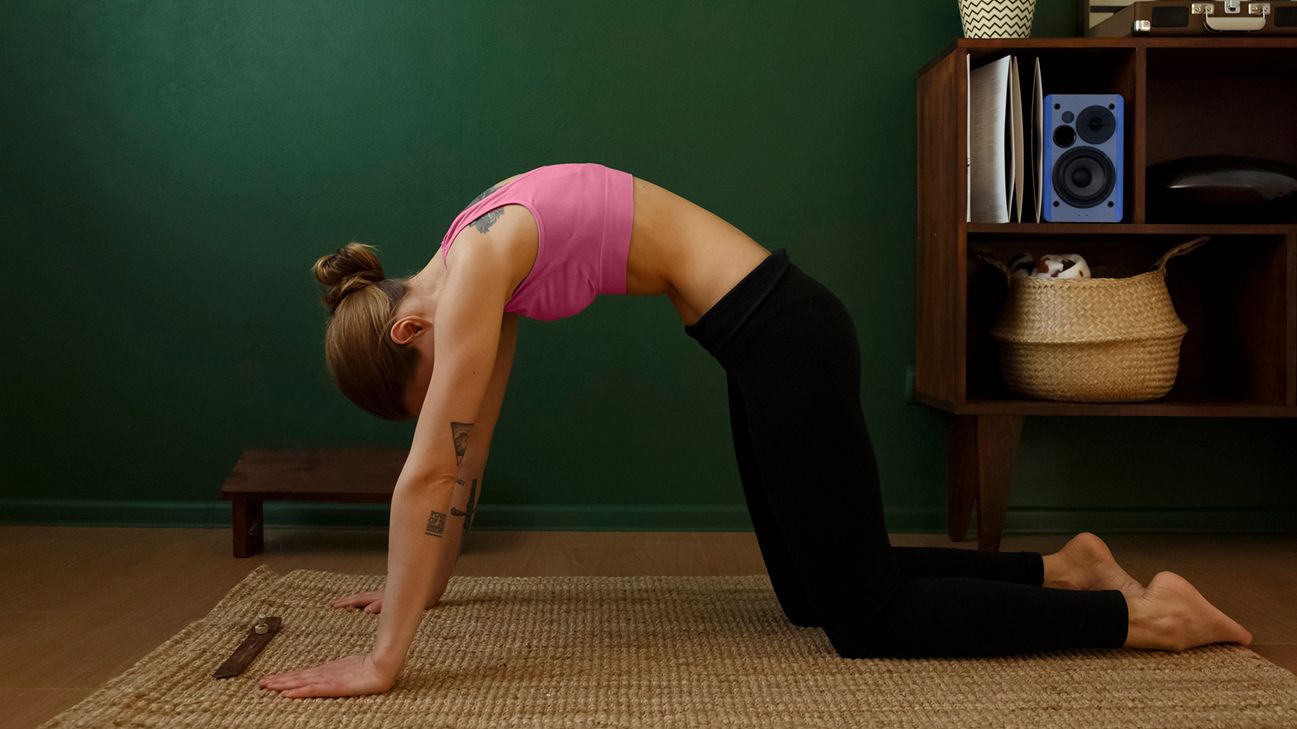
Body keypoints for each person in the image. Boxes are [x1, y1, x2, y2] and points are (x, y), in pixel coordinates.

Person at [260, 162, 1252, 699]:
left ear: (406, 330)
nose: (437, 399)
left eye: (418, 385)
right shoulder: (475, 260)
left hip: (784, 333)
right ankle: (1065, 566)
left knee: (864, 622)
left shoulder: (474, 263)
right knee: (810, 594)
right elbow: (461, 461)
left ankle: (1144, 619)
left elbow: (432, 467)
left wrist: (385, 659)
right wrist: (408, 596)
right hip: (760, 340)